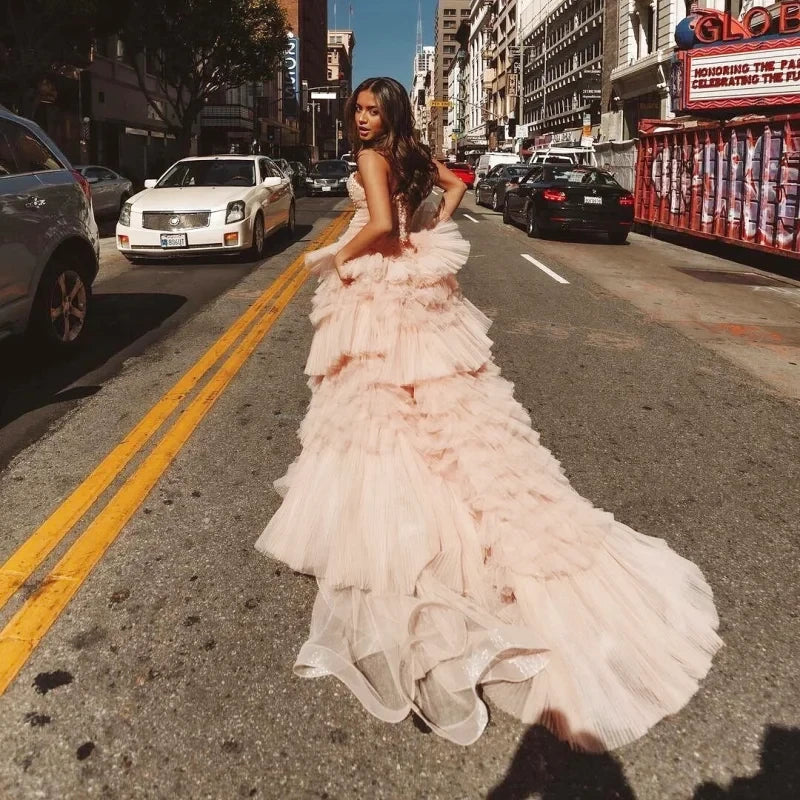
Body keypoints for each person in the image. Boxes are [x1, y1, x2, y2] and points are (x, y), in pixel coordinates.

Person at [255, 77, 722, 749]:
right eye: (356, 108)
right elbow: (458, 183)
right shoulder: (412, 152)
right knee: (435, 405)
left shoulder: (373, 159)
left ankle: (391, 526)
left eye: (370, 110)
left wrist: (334, 253)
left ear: (389, 115)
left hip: (381, 291)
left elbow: (382, 225)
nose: (360, 119)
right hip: (415, 285)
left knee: (379, 410)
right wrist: (430, 228)